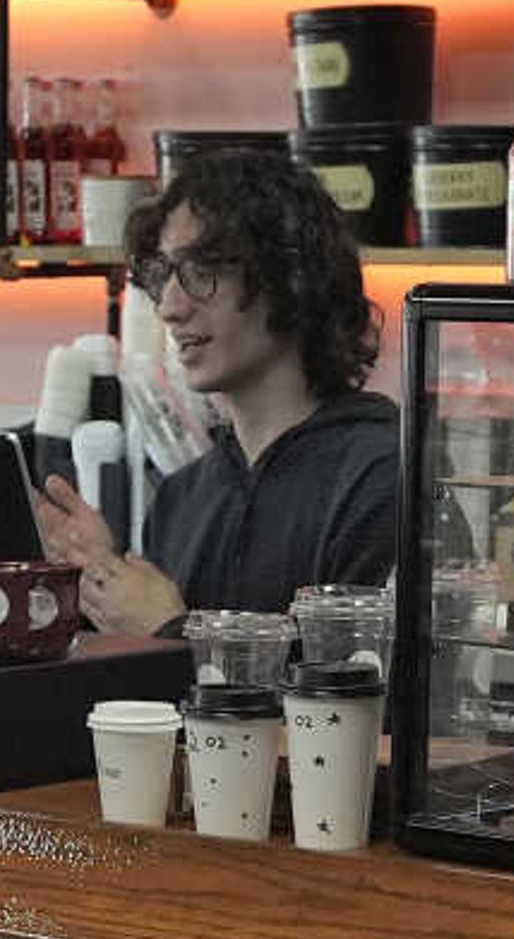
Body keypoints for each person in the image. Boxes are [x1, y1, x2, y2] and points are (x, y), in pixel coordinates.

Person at [32, 147, 400, 635]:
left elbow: (354, 699)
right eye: (166, 277)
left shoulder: (381, 480)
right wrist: (105, 581)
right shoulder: (184, 498)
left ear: (288, 276)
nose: (169, 308)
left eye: (201, 273)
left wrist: (169, 631)